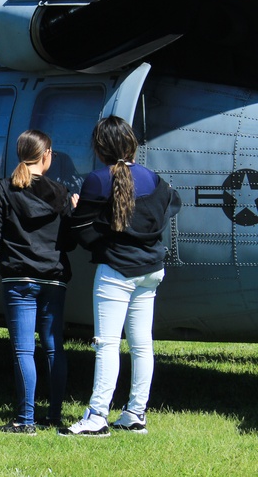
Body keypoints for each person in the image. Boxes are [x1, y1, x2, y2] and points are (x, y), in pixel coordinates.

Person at [61, 116, 181, 437]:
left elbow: (81, 228)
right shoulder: (154, 179)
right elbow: (172, 205)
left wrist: (87, 221)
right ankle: (135, 413)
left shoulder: (98, 181)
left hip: (117, 270)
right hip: (151, 270)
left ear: (100, 149)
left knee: (108, 344)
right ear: (131, 145)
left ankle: (97, 415)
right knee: (142, 344)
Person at [0, 130, 75, 434]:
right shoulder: (61, 193)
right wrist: (72, 211)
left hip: (19, 276)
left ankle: (25, 419)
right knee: (52, 347)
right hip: (54, 277)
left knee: (23, 350)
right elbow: (69, 243)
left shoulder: (4, 188)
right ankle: (55, 416)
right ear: (46, 154)